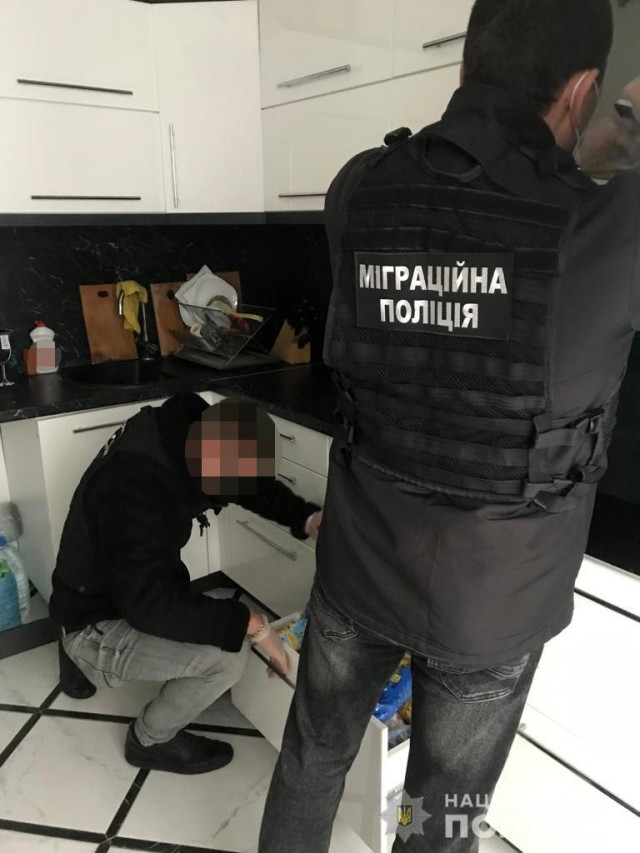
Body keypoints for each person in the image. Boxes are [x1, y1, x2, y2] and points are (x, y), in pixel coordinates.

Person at [259, 1, 636, 850]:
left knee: (313, 755)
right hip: (491, 601)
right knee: (439, 817)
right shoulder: (607, 227)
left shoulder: (359, 186)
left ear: (465, 65)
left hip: (359, 562)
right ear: (583, 90)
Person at [50, 392, 322, 775]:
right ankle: (150, 740)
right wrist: (253, 624)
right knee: (227, 658)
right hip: (97, 615)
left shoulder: (185, 428)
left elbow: (247, 482)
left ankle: (71, 639)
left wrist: (306, 518)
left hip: (90, 584)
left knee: (199, 614)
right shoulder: (138, 489)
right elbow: (150, 607)